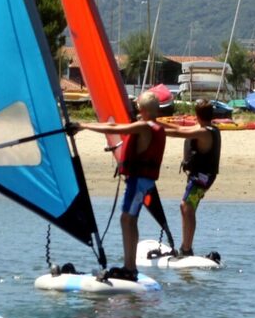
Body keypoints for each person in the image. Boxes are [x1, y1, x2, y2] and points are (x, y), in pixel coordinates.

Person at [70, 91, 205, 279]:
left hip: (139, 181)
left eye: (138, 106)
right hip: (144, 181)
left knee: (127, 219)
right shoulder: (156, 126)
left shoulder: (144, 127)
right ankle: (130, 266)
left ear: (143, 109)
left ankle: (130, 268)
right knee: (129, 219)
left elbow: (114, 127)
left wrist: (82, 125)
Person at [174, 99, 222, 258]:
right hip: (199, 176)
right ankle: (185, 246)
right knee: (186, 207)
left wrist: (153, 128)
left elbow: (178, 132)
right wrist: (154, 123)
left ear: (197, 115)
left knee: (187, 206)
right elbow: (179, 128)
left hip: (202, 177)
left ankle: (187, 249)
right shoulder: (205, 129)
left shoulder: (204, 132)